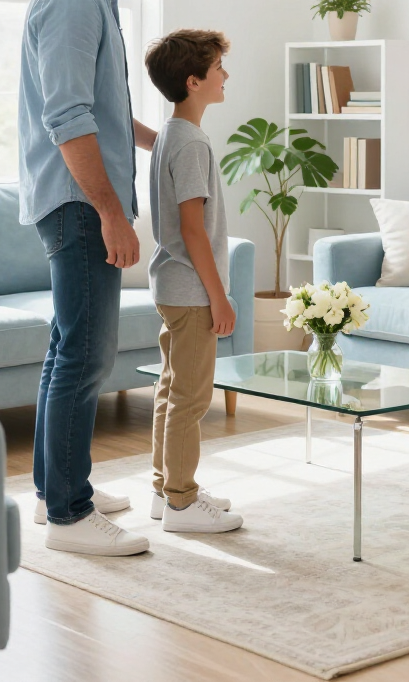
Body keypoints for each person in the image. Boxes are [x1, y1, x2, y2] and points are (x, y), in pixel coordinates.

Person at [19, 0, 169, 556]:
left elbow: (100, 107)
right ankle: (72, 520)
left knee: (67, 349)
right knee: (86, 354)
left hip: (81, 197)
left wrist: (152, 138)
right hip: (80, 203)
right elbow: (68, 117)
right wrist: (110, 212)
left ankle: (58, 488)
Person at [143, 29, 243, 533]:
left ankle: (167, 489)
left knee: (171, 389)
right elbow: (192, 230)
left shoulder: (170, 136)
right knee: (191, 399)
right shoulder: (191, 145)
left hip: (171, 287)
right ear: (194, 81)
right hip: (191, 291)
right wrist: (220, 299)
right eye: (220, 68)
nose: (226, 75)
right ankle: (182, 503)